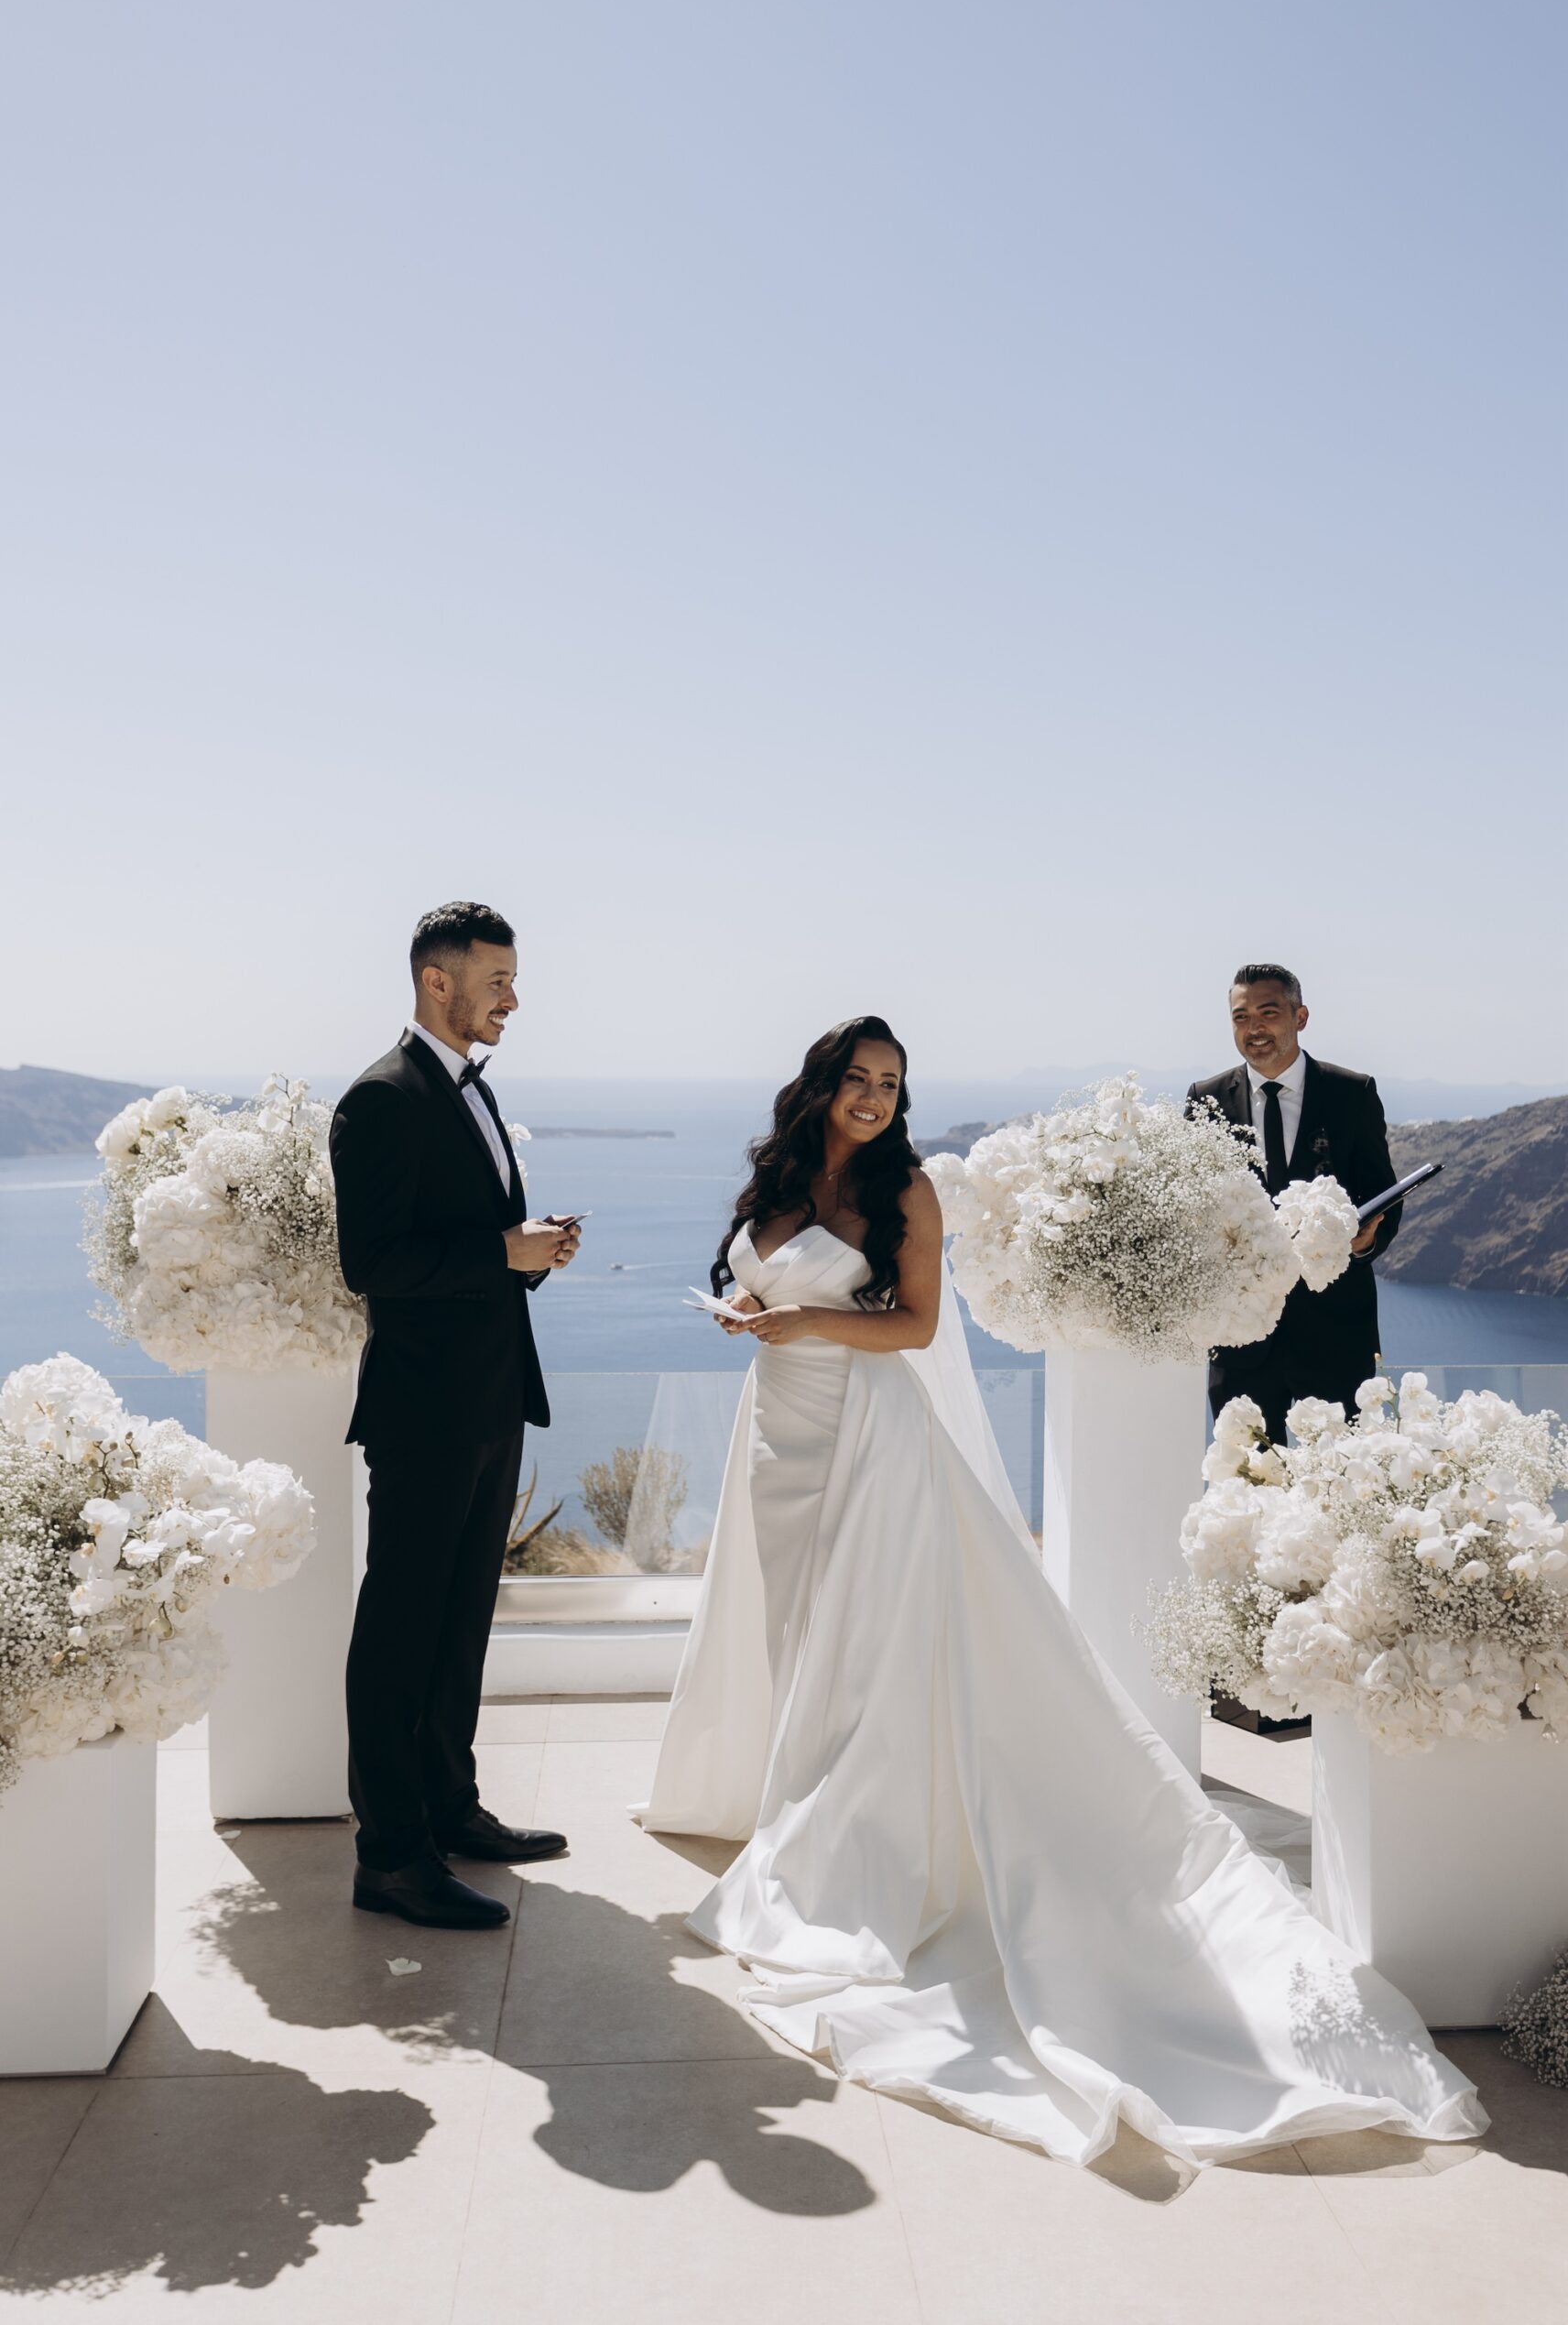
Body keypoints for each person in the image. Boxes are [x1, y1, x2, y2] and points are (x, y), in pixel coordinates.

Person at [633, 1016, 1484, 2168]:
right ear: (820, 1086)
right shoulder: (780, 1175)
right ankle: (789, 1786)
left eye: (891, 1084)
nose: (876, 1099)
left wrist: (800, 1319)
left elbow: (916, 1325)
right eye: (858, 1080)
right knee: (793, 1626)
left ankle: (851, 1832)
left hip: (863, 1443)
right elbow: (747, 1270)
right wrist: (749, 1316)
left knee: (865, 1643)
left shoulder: (907, 1194)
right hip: (773, 1434)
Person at [331, 901, 577, 1929]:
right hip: (423, 1411)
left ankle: (449, 1806)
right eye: (497, 980)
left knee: (460, 1621)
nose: (512, 999)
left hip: (485, 1399)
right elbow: (370, 1265)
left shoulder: (468, 1087)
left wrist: (530, 1250)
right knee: (401, 1628)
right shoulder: (380, 1100)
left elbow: (467, 1241)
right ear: (438, 980)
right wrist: (500, 1254)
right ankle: (389, 1856)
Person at [1187, 964, 1401, 1446]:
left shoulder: (1352, 1093)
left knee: (1343, 1486)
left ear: (1300, 1017)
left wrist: (1367, 1240)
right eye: (1241, 1017)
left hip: (1336, 1335)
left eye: (1269, 1012)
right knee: (1246, 1487)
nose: (1254, 1028)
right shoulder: (1206, 1100)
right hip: (1241, 1340)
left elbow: (1382, 1193)